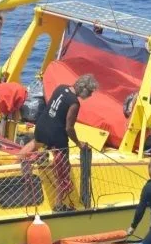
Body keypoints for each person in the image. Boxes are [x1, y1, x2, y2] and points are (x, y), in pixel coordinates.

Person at [20, 74, 98, 211]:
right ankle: (58, 204)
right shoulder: (74, 103)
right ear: (85, 89)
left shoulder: (61, 88)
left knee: (35, 143)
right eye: (90, 92)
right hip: (55, 135)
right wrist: (78, 143)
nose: (90, 95)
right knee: (63, 170)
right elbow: (69, 128)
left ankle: (15, 162)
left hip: (42, 125)